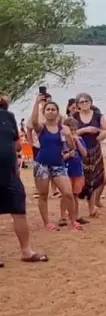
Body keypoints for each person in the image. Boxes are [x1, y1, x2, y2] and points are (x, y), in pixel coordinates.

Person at [0, 92, 47, 265]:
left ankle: (26, 251)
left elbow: (17, 145)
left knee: (19, 211)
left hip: (10, 173)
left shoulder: (9, 116)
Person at [28, 94, 81, 231]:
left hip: (58, 164)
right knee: (43, 194)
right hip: (42, 164)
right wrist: (37, 103)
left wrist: (68, 135)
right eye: (48, 109)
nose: (51, 111)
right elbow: (34, 121)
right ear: (44, 112)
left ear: (57, 112)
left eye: (53, 109)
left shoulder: (63, 129)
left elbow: (72, 147)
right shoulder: (41, 128)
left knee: (68, 193)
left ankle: (73, 220)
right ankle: (47, 222)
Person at [73, 93, 106, 217]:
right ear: (78, 105)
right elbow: (68, 132)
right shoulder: (74, 117)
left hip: (94, 150)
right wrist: (85, 130)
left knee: (94, 179)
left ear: (91, 102)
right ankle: (75, 210)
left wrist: (103, 134)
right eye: (81, 102)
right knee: (79, 179)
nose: (84, 103)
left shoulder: (98, 116)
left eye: (86, 101)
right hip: (79, 151)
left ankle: (92, 207)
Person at [61, 117, 88, 226]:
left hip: (77, 171)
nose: (72, 132)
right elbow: (59, 157)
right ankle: (63, 216)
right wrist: (68, 155)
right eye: (70, 130)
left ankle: (75, 216)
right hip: (66, 171)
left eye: (74, 130)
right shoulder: (62, 141)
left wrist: (77, 142)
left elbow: (84, 154)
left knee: (75, 195)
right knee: (66, 194)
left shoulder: (79, 139)